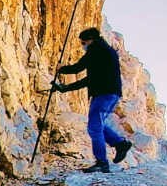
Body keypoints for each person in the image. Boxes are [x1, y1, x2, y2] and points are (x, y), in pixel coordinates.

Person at [50, 27, 132, 173]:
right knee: (98, 124)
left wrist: (62, 70)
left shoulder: (96, 50)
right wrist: (65, 87)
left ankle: (102, 162)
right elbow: (91, 78)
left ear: (90, 40)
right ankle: (120, 144)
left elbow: (78, 68)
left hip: (103, 93)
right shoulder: (106, 51)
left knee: (94, 127)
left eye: (83, 43)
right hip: (111, 93)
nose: (83, 46)